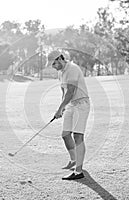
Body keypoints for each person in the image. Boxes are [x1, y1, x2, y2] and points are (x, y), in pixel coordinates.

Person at [47, 50, 90, 180]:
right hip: (71, 105)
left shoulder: (72, 69)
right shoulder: (61, 73)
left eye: (54, 63)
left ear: (60, 59)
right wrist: (63, 107)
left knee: (78, 136)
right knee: (65, 135)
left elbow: (71, 91)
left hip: (81, 104)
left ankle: (78, 171)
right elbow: (64, 92)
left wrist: (59, 109)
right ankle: (73, 160)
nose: (53, 66)